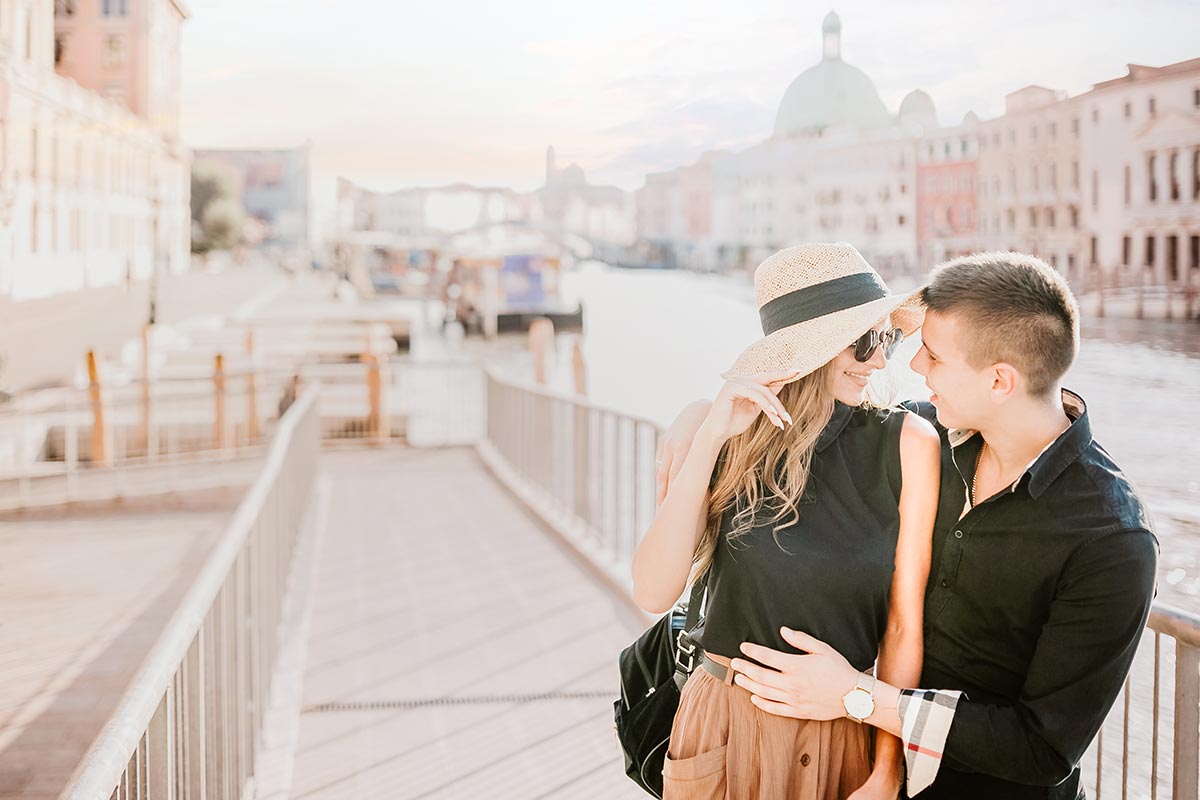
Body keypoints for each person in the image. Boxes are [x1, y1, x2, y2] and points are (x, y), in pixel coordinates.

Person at [655, 252, 1159, 799]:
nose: (913, 364)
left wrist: (860, 697)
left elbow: (1042, 748)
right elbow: (819, 413)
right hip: (862, 766)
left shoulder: (1112, 539)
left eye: (935, 356)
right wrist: (700, 419)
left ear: (999, 381)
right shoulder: (933, 433)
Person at [633, 243, 942, 799]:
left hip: (840, 735)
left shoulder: (908, 445)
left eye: (888, 339)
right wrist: (707, 434)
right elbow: (653, 590)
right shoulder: (730, 436)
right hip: (722, 727)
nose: (879, 360)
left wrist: (887, 771)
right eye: (865, 341)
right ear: (812, 347)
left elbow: (902, 626)